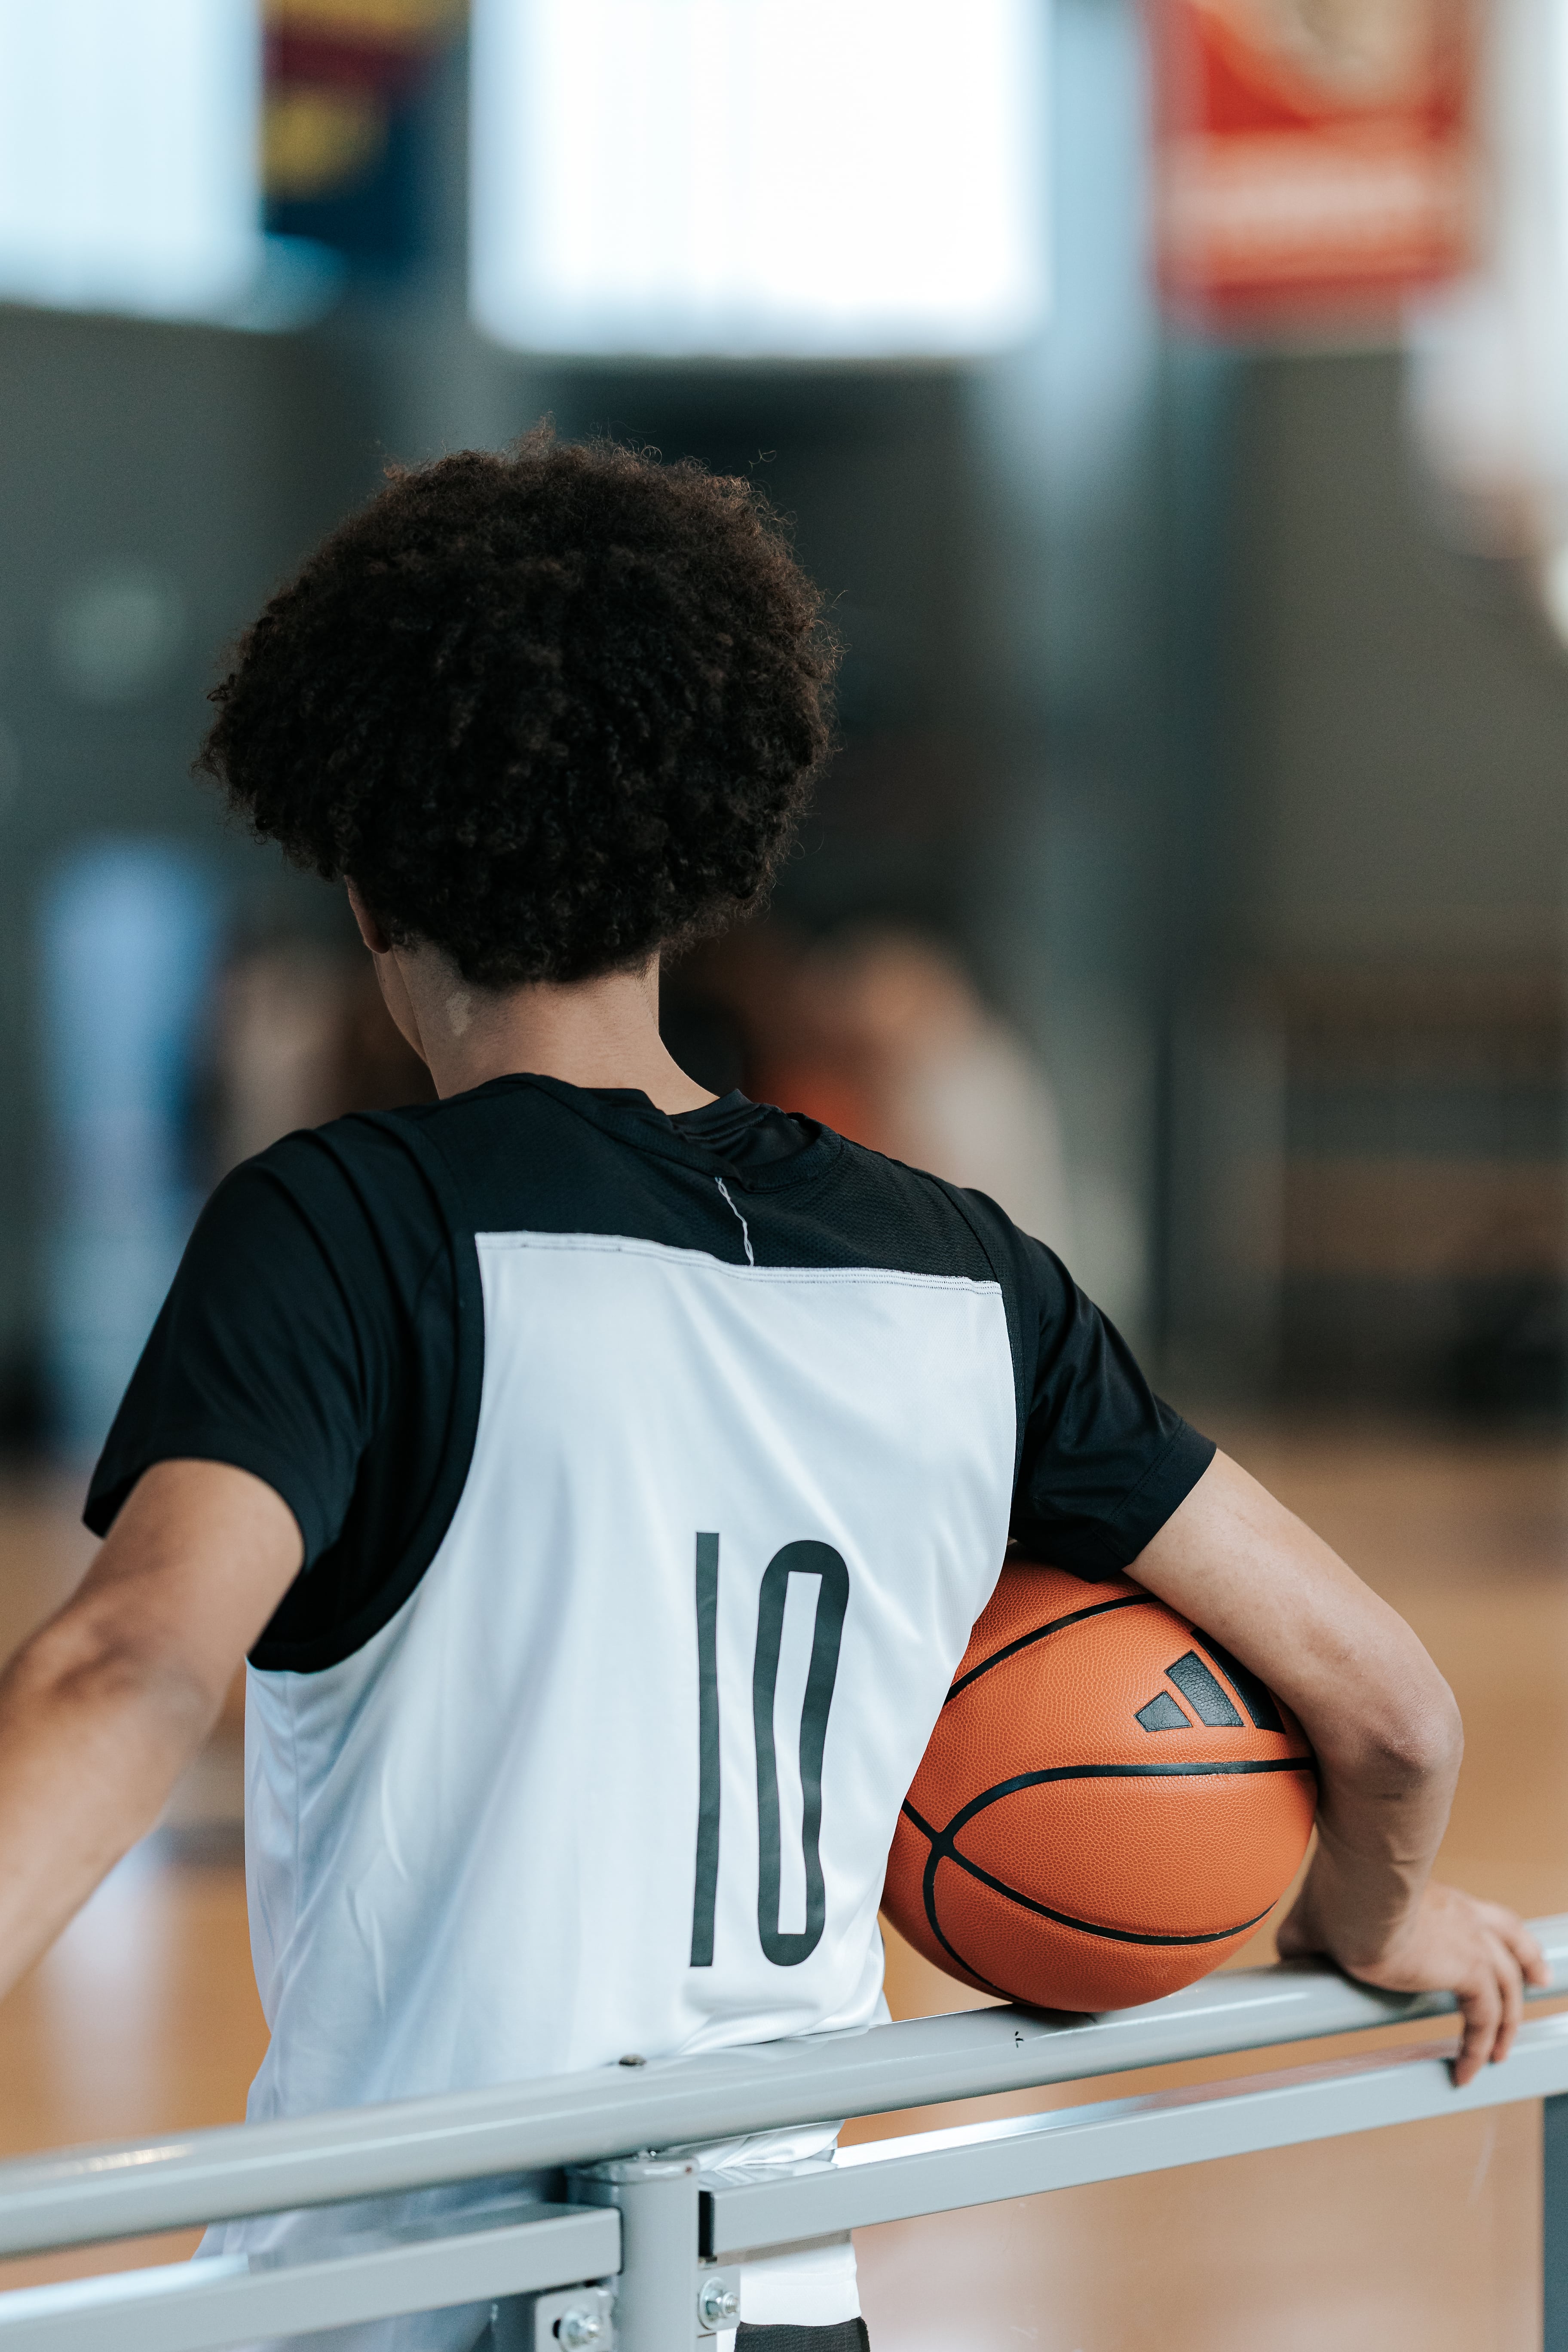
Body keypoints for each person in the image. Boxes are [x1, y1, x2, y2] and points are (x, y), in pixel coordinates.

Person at [0, 429, 1543, 2352]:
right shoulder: (967, 1277)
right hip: (779, 2301)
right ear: (707, 849)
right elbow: (1389, 1711)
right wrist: (1382, 1916)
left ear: (362, 866)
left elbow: (133, 1667)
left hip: (418, 2305)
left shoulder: (354, 1223)